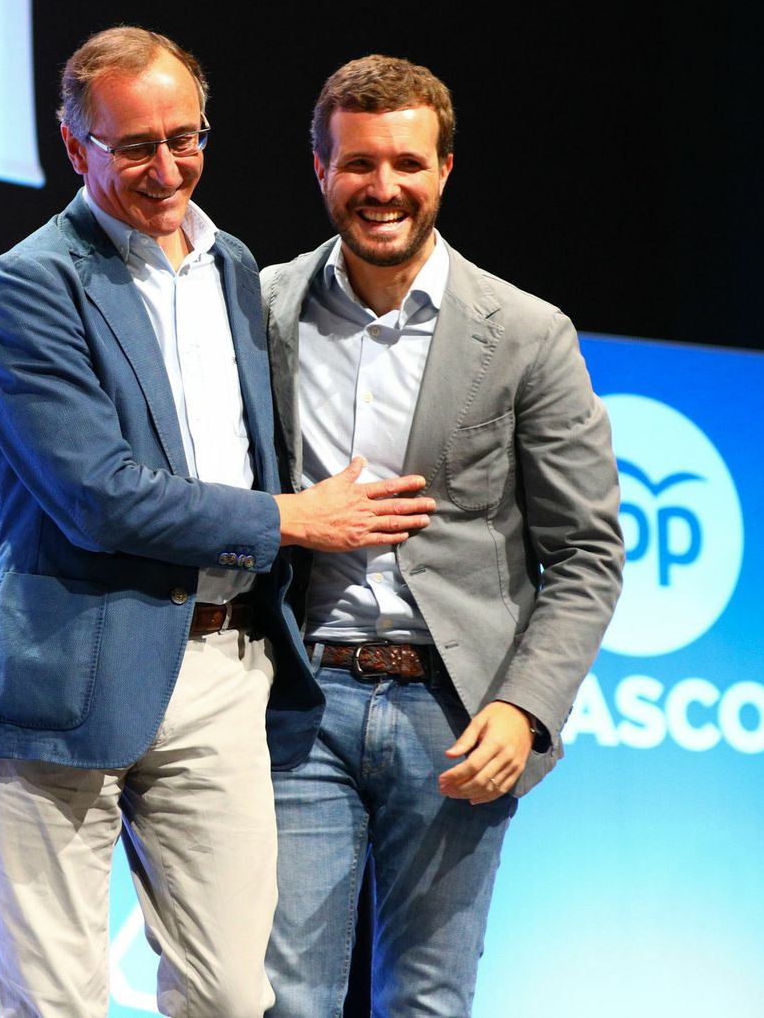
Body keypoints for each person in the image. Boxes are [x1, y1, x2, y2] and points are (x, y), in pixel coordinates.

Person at [0, 27, 435, 1018]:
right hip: (67, 667)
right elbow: (99, 491)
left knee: (229, 994)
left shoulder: (232, 262)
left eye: (185, 136)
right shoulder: (27, 284)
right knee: (56, 1000)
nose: (167, 168)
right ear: (75, 147)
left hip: (222, 664)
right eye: (133, 147)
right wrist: (292, 518)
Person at [260, 54, 626, 1016]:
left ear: (446, 170)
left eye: (408, 164)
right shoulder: (262, 310)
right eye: (359, 163)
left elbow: (587, 553)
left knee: (427, 1001)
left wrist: (526, 706)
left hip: (455, 713)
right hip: (300, 704)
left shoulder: (528, 333)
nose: (383, 188)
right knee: (283, 997)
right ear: (321, 169)